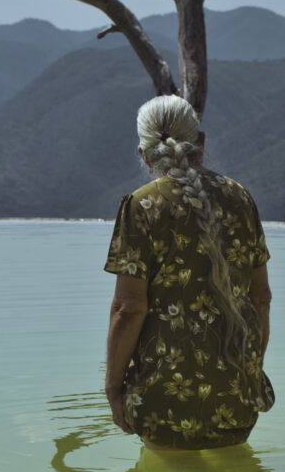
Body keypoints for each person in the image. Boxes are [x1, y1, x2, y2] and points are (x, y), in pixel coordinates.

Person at [104, 95, 274, 450]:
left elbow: (128, 309)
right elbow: (261, 297)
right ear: (200, 142)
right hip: (236, 393)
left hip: (161, 397)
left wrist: (113, 386)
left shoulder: (143, 206)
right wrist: (250, 371)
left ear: (144, 153)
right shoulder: (240, 198)